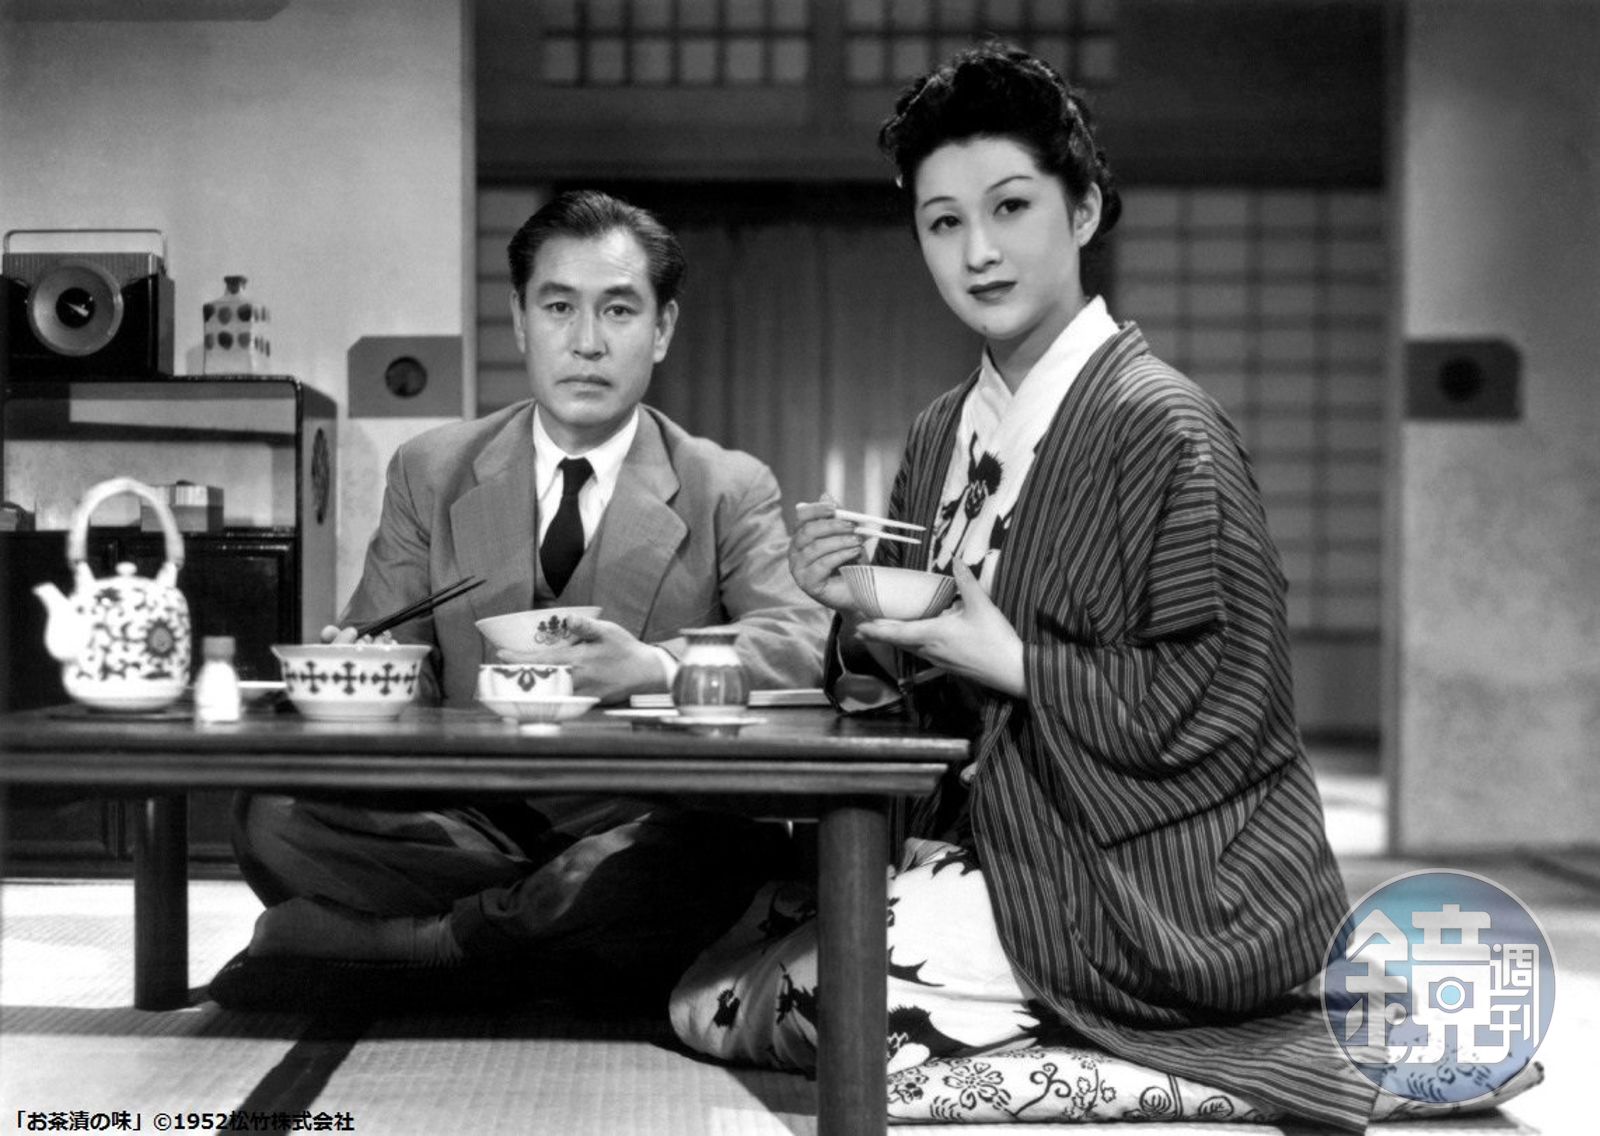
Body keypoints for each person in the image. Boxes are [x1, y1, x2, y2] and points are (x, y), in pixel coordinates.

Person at [669, 44, 1379, 1131]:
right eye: (942, 222)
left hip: (1152, 881)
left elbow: (1232, 704)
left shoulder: (1164, 427)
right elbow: (912, 681)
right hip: (990, 846)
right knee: (707, 969)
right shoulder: (940, 431)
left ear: (1083, 209)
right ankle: (1028, 1025)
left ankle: (1142, 1054)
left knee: (792, 1003)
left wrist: (1013, 661)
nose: (978, 251)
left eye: (1010, 207)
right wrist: (857, 610)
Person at [213, 189, 829, 1008]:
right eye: (559, 307)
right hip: (467, 818)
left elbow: (803, 636)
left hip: (639, 818)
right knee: (273, 814)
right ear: (519, 320)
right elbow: (392, 653)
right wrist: (367, 671)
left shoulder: (725, 484)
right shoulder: (431, 469)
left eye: (618, 310)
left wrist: (654, 666)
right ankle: (548, 949)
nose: (586, 341)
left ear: (662, 330)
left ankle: (418, 948)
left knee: (715, 853)